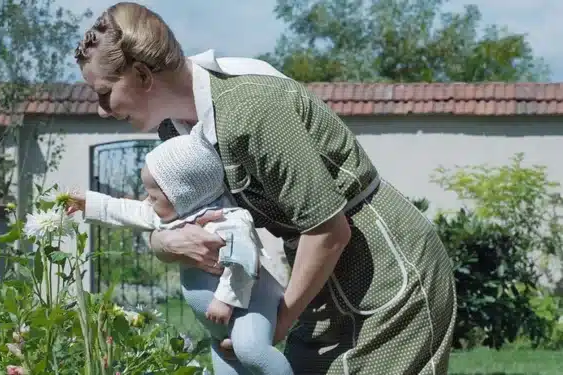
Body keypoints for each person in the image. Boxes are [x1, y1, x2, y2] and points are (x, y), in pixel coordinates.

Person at [71, 2, 457, 374]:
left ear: (142, 75)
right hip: (318, 280)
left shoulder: (252, 109)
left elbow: (328, 230)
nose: (103, 109)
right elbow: (168, 214)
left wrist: (276, 324)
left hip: (384, 269)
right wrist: (164, 244)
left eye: (105, 93)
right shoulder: (175, 131)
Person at [78, 131, 294, 374]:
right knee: (227, 366)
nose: (148, 202)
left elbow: (244, 260)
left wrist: (224, 300)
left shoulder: (229, 220)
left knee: (251, 349)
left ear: (182, 194)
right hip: (220, 322)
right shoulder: (176, 216)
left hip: (250, 305)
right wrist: (87, 203)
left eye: (153, 196)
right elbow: (129, 211)